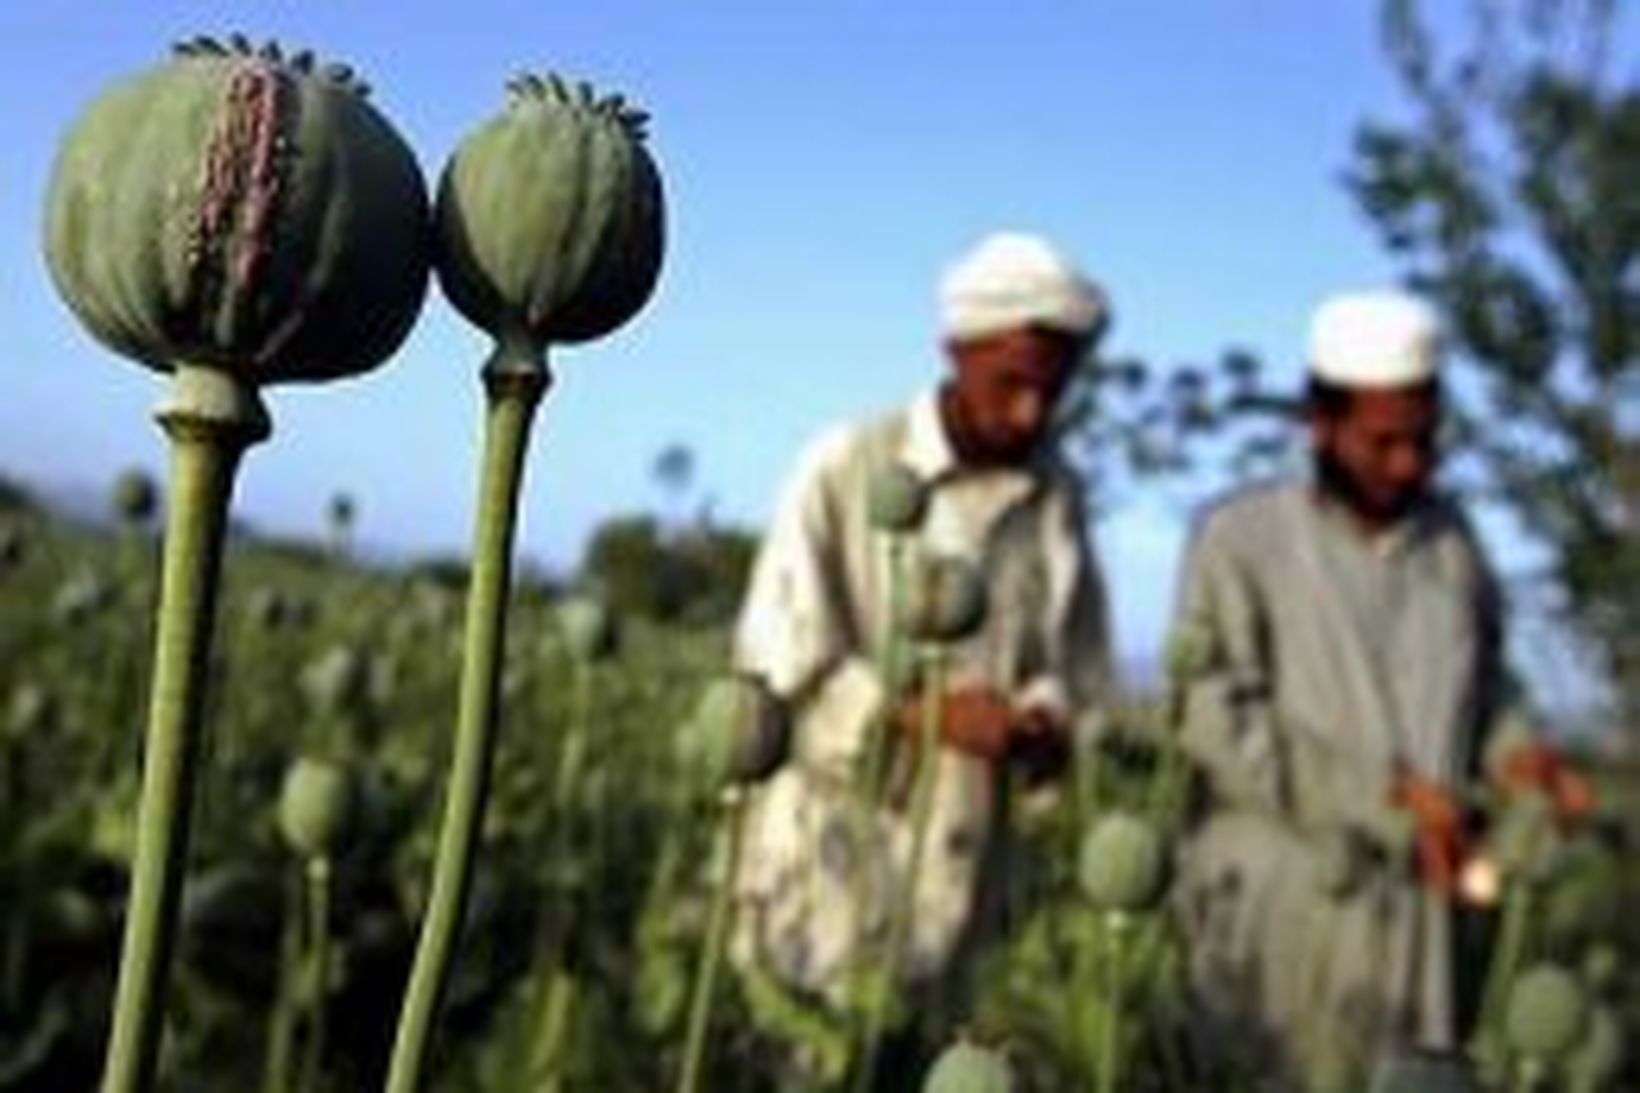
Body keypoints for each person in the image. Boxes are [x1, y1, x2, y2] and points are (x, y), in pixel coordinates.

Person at [726, 232, 1114, 1081]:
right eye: (1011, 383)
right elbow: (777, 659)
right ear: (955, 350)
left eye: (1053, 390)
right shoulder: (845, 466)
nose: (1030, 414)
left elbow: (1073, 662)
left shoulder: (1060, 498)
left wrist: (1046, 719)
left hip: (970, 890)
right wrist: (925, 713)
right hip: (825, 882)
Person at [1168, 290, 1512, 1089]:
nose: (1408, 465)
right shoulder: (1238, 538)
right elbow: (1213, 717)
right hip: (1279, 909)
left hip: (1419, 917)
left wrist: (1522, 757)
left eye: (1424, 441)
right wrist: (1387, 798)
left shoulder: (1453, 548)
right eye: (1383, 441)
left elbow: (1491, 691)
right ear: (1320, 424)